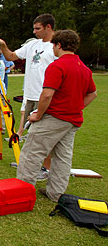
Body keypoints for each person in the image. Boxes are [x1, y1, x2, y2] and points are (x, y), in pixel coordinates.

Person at [17, 30, 96, 201]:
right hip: (72, 121)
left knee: (31, 154)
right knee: (62, 158)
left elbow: (46, 95)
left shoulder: (57, 66)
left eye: (53, 45)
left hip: (53, 118)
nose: (52, 48)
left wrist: (38, 115)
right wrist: (75, 107)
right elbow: (92, 94)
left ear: (58, 45)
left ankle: (23, 193)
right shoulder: (84, 68)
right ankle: (56, 193)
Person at [0, 14, 56, 177]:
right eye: (33, 28)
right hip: (30, 95)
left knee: (44, 136)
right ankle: (27, 163)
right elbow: (11, 56)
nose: (34, 32)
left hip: (46, 96)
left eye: (38, 28)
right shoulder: (33, 45)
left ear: (49, 27)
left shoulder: (56, 47)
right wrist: (3, 45)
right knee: (30, 134)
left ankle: (45, 169)